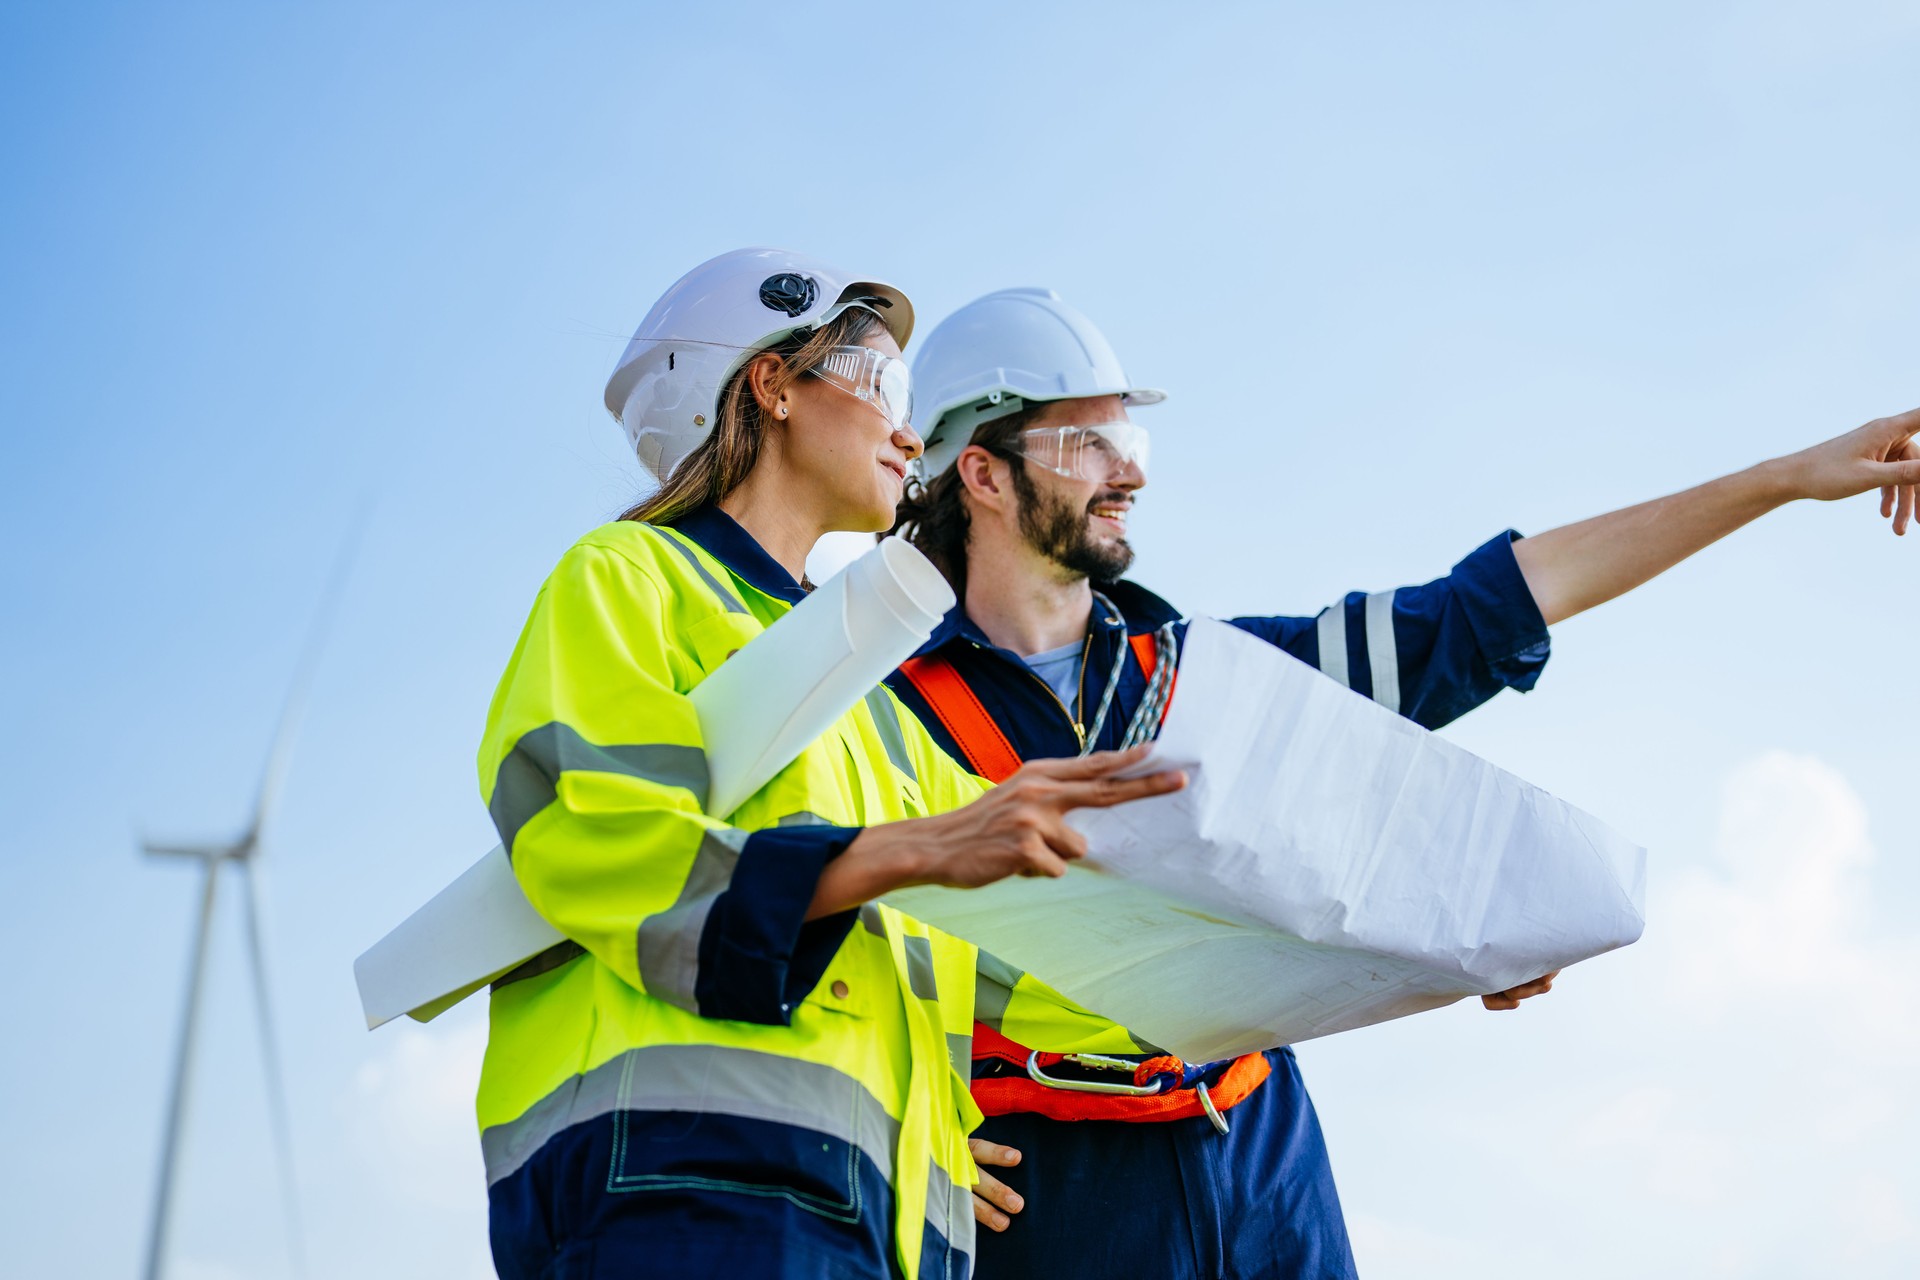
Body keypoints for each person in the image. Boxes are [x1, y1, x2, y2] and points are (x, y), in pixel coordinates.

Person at [884, 287, 1920, 1279]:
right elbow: (793, 928)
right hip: (1052, 1203)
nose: (1130, 474)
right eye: (1087, 444)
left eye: (1131, 441)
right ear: (981, 472)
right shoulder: (880, 709)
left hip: (1266, 1175)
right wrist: (891, 1131)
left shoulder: (1217, 680)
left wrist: (1782, 478)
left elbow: (1493, 604)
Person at [474, 251, 1186, 1280]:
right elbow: (598, 837)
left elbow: (1055, 965)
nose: (911, 431)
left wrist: (1387, 963)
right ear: (771, 386)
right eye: (887, 384)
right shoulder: (628, 579)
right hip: (685, 1191)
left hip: (872, 1227)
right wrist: (907, 849)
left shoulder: (874, 706)